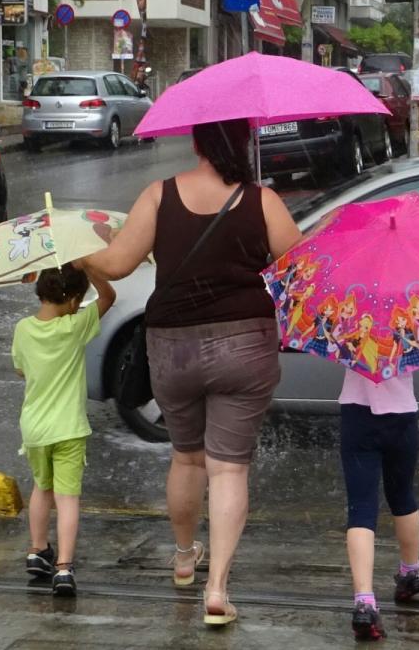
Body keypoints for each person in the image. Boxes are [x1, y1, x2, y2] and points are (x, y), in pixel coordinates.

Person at [76, 118, 302, 626]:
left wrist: (78, 246)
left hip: (173, 347)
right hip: (246, 345)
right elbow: (298, 266)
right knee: (228, 468)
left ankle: (183, 558)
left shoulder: (159, 195)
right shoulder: (261, 200)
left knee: (186, 458)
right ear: (243, 144)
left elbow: (114, 265)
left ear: (197, 142)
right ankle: (218, 589)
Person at [11, 264, 115, 597]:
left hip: (34, 429)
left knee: (42, 488)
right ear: (72, 300)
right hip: (68, 428)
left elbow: (20, 371)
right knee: (67, 497)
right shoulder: (75, 326)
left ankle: (38, 550)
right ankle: (64, 568)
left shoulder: (23, 329)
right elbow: (110, 296)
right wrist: (90, 267)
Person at [338, 362, 419, 641]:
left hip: (357, 414)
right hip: (402, 415)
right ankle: (410, 571)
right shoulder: (415, 324)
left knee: (361, 508)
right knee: (403, 496)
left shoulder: (350, 318)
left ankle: (364, 602)